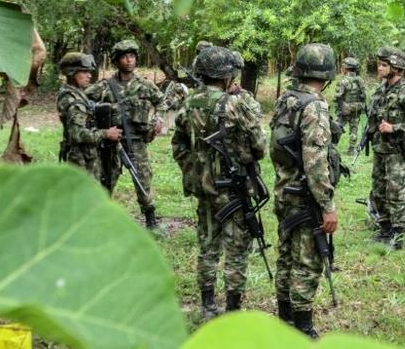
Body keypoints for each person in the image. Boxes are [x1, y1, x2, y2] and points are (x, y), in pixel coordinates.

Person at [171, 46, 266, 320]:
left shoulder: (189, 103)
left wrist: (193, 169)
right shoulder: (234, 104)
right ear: (226, 75)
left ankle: (207, 305)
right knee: (236, 251)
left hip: (204, 190)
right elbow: (259, 147)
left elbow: (178, 144)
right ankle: (233, 310)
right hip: (233, 189)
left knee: (207, 246)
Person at [269, 43, 341, 338]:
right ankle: (303, 326)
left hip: (285, 189)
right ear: (327, 74)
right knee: (307, 262)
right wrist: (327, 205)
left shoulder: (286, 99)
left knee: (286, 255)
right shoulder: (314, 106)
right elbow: (315, 161)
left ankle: (284, 315)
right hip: (305, 197)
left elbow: (274, 148)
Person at [86, 39, 167, 229]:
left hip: (137, 142)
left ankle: (150, 217)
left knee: (143, 179)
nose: (129, 60)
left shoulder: (144, 85)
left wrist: (159, 119)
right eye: (124, 57)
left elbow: (161, 102)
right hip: (111, 141)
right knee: (105, 179)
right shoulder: (105, 85)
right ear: (116, 61)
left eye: (132, 56)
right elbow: (84, 100)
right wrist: (97, 123)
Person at [366, 48, 405, 248]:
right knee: (378, 190)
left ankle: (397, 235)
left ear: (397, 68)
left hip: (396, 151)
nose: (380, 68)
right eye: (380, 64)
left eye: (384, 65)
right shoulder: (381, 89)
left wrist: (395, 128)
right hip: (380, 148)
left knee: (395, 192)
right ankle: (384, 229)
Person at [56, 52, 121, 179]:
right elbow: (77, 135)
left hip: (87, 157)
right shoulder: (71, 99)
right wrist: (106, 133)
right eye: (84, 72)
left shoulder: (79, 93)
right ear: (71, 73)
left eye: (89, 72)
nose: (89, 75)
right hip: (80, 161)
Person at [334, 57, 367, 155]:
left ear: (346, 68)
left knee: (337, 127)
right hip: (356, 108)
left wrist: (339, 109)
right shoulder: (360, 80)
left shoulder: (343, 81)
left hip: (345, 109)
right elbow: (364, 95)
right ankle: (351, 150)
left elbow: (338, 96)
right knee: (354, 129)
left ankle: (333, 147)